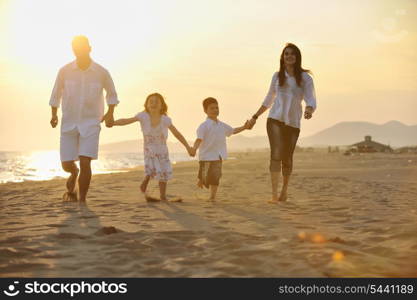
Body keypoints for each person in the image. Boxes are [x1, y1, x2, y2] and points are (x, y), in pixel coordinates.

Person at [49, 35, 119, 202]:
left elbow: (112, 94)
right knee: (66, 164)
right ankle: (73, 173)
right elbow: (56, 94)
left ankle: (82, 200)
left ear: (89, 48)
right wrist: (53, 114)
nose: (78, 51)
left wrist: (110, 113)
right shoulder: (64, 71)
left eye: (82, 47)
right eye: (75, 48)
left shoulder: (102, 72)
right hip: (68, 123)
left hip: (91, 123)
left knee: (85, 161)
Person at [247, 43, 317, 203]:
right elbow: (269, 98)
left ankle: (284, 191)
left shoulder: (305, 78)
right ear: (282, 57)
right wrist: (255, 116)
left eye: (292, 54)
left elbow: (311, 98)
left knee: (287, 157)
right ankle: (273, 194)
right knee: (276, 155)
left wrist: (309, 110)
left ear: (297, 57)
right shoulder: (277, 76)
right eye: (286, 54)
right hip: (274, 120)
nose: (289, 56)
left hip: (293, 122)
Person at [113, 93, 193, 201]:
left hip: (162, 149)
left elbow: (177, 134)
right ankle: (146, 179)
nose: (153, 103)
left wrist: (188, 147)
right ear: (146, 104)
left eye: (156, 101)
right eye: (151, 101)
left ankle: (162, 196)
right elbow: (126, 121)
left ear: (162, 105)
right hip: (149, 148)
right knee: (151, 166)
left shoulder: (165, 119)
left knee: (163, 172)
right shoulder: (143, 116)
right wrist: (113, 123)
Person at [190, 97, 250, 201]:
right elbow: (199, 139)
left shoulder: (222, 125)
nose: (215, 110)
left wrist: (244, 127)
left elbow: (232, 131)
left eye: (216, 108)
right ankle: (201, 180)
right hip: (206, 156)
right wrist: (194, 149)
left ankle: (212, 197)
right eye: (212, 108)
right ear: (205, 111)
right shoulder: (204, 126)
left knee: (216, 177)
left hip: (218, 156)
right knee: (205, 176)